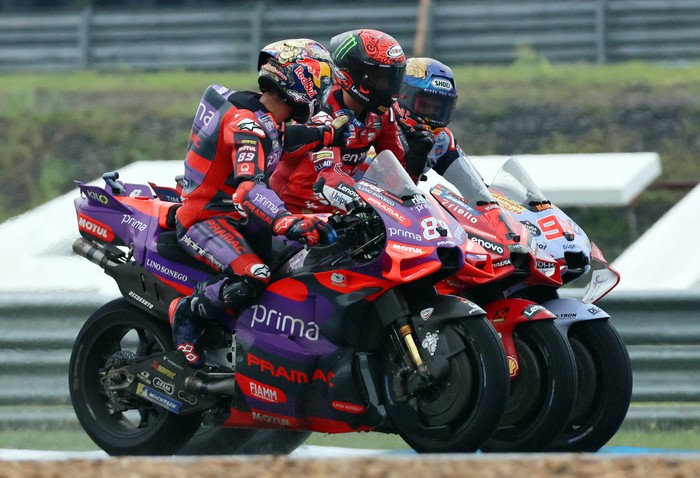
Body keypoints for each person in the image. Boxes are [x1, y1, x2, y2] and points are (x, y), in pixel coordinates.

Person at [169, 39, 346, 368]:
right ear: (300, 79)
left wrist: (326, 134)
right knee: (254, 275)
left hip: (243, 219)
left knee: (307, 260)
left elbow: (286, 138)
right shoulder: (245, 125)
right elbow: (248, 187)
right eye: (321, 81)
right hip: (206, 217)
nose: (324, 91)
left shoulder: (269, 118)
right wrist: (285, 220)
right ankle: (187, 314)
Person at [270, 29, 435, 214]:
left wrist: (415, 160)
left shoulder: (382, 116)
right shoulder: (320, 109)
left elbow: (398, 187)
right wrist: (365, 205)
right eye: (380, 78)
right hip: (288, 210)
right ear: (353, 74)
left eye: (392, 79)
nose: (388, 88)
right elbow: (329, 178)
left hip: (338, 218)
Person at [394, 57, 462, 177]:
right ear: (402, 95)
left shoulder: (442, 140)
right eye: (424, 105)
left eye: (438, 109)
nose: (431, 112)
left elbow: (476, 187)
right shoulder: (379, 123)